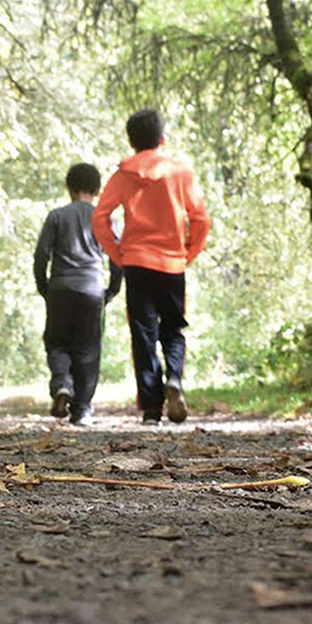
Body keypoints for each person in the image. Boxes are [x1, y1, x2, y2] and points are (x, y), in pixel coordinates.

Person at [92, 108, 210, 424]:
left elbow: (99, 217)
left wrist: (118, 255)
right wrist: (188, 253)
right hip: (172, 263)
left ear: (132, 142)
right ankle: (174, 378)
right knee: (173, 327)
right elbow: (200, 218)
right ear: (162, 137)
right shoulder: (181, 173)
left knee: (143, 333)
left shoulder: (122, 175)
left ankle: (152, 408)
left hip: (136, 263)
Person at [34, 162, 122, 426]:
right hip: (92, 289)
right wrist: (112, 290)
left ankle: (62, 384)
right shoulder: (104, 219)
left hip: (60, 288)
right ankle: (82, 409)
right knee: (88, 350)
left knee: (57, 342)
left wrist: (44, 286)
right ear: (97, 190)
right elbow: (117, 258)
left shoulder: (56, 216)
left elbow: (41, 255)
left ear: (69, 187)